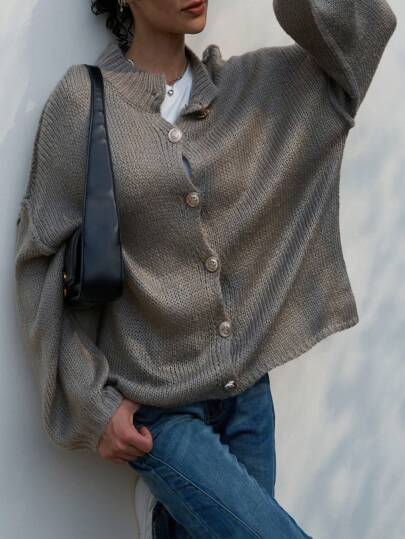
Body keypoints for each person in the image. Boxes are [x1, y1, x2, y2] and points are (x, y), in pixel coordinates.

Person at [14, 0, 397, 537]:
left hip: (249, 401)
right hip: (157, 404)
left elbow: (366, 34)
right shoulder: (84, 101)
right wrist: (92, 404)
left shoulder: (253, 88)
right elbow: (38, 261)